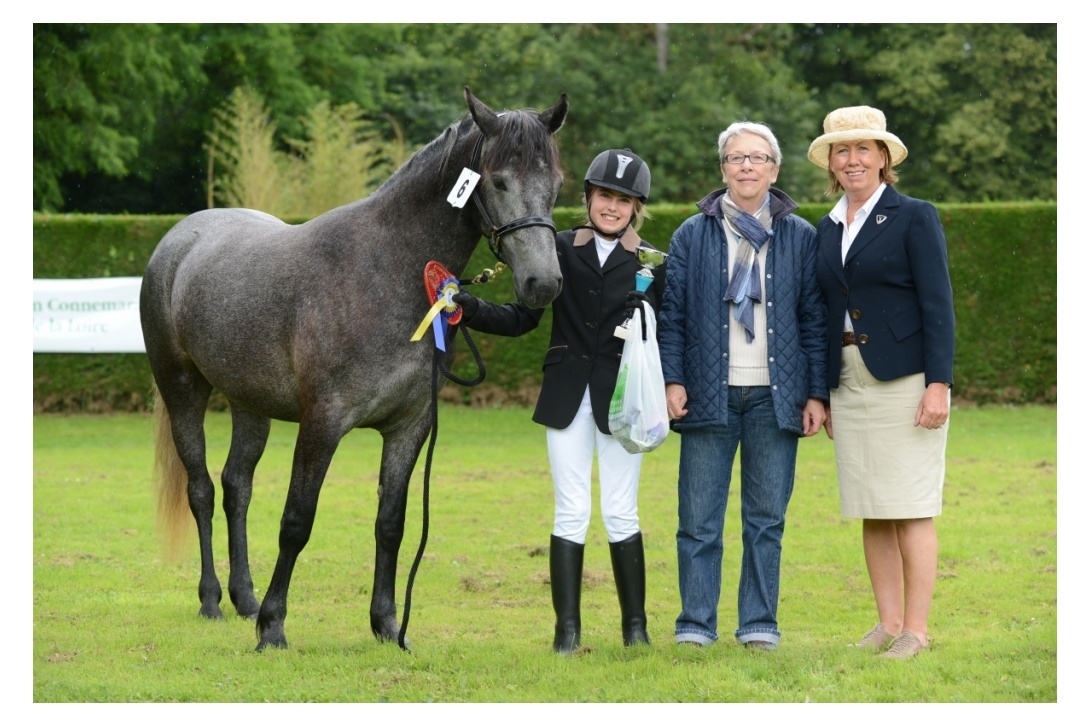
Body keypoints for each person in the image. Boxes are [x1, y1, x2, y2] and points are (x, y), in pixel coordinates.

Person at [453, 149, 667, 654]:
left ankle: (635, 628)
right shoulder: (560, 249)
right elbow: (523, 318)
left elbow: (666, 334)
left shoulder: (653, 263)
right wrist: (468, 308)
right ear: (588, 197)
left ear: (636, 207)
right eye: (604, 196)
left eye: (623, 200)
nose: (612, 207)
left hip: (623, 401)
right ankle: (566, 630)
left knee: (621, 511)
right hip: (567, 395)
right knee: (570, 510)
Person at [657, 122, 827, 651]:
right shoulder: (692, 233)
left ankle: (758, 624)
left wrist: (817, 392)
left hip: (777, 399)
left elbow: (814, 320)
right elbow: (672, 318)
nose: (746, 166)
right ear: (723, 169)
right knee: (698, 521)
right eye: (736, 158)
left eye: (757, 158)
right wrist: (673, 379)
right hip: (708, 394)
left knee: (766, 520)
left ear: (775, 170)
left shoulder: (800, 235)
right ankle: (695, 625)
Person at [806, 106, 955, 659]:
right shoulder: (825, 227)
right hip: (848, 382)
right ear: (831, 162)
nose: (853, 159)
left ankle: (916, 630)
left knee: (911, 504)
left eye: (863, 149)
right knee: (872, 505)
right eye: (842, 150)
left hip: (906, 380)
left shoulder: (915, 216)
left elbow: (938, 305)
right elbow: (823, 310)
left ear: (884, 157)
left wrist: (938, 383)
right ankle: (887, 624)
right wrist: (820, 391)